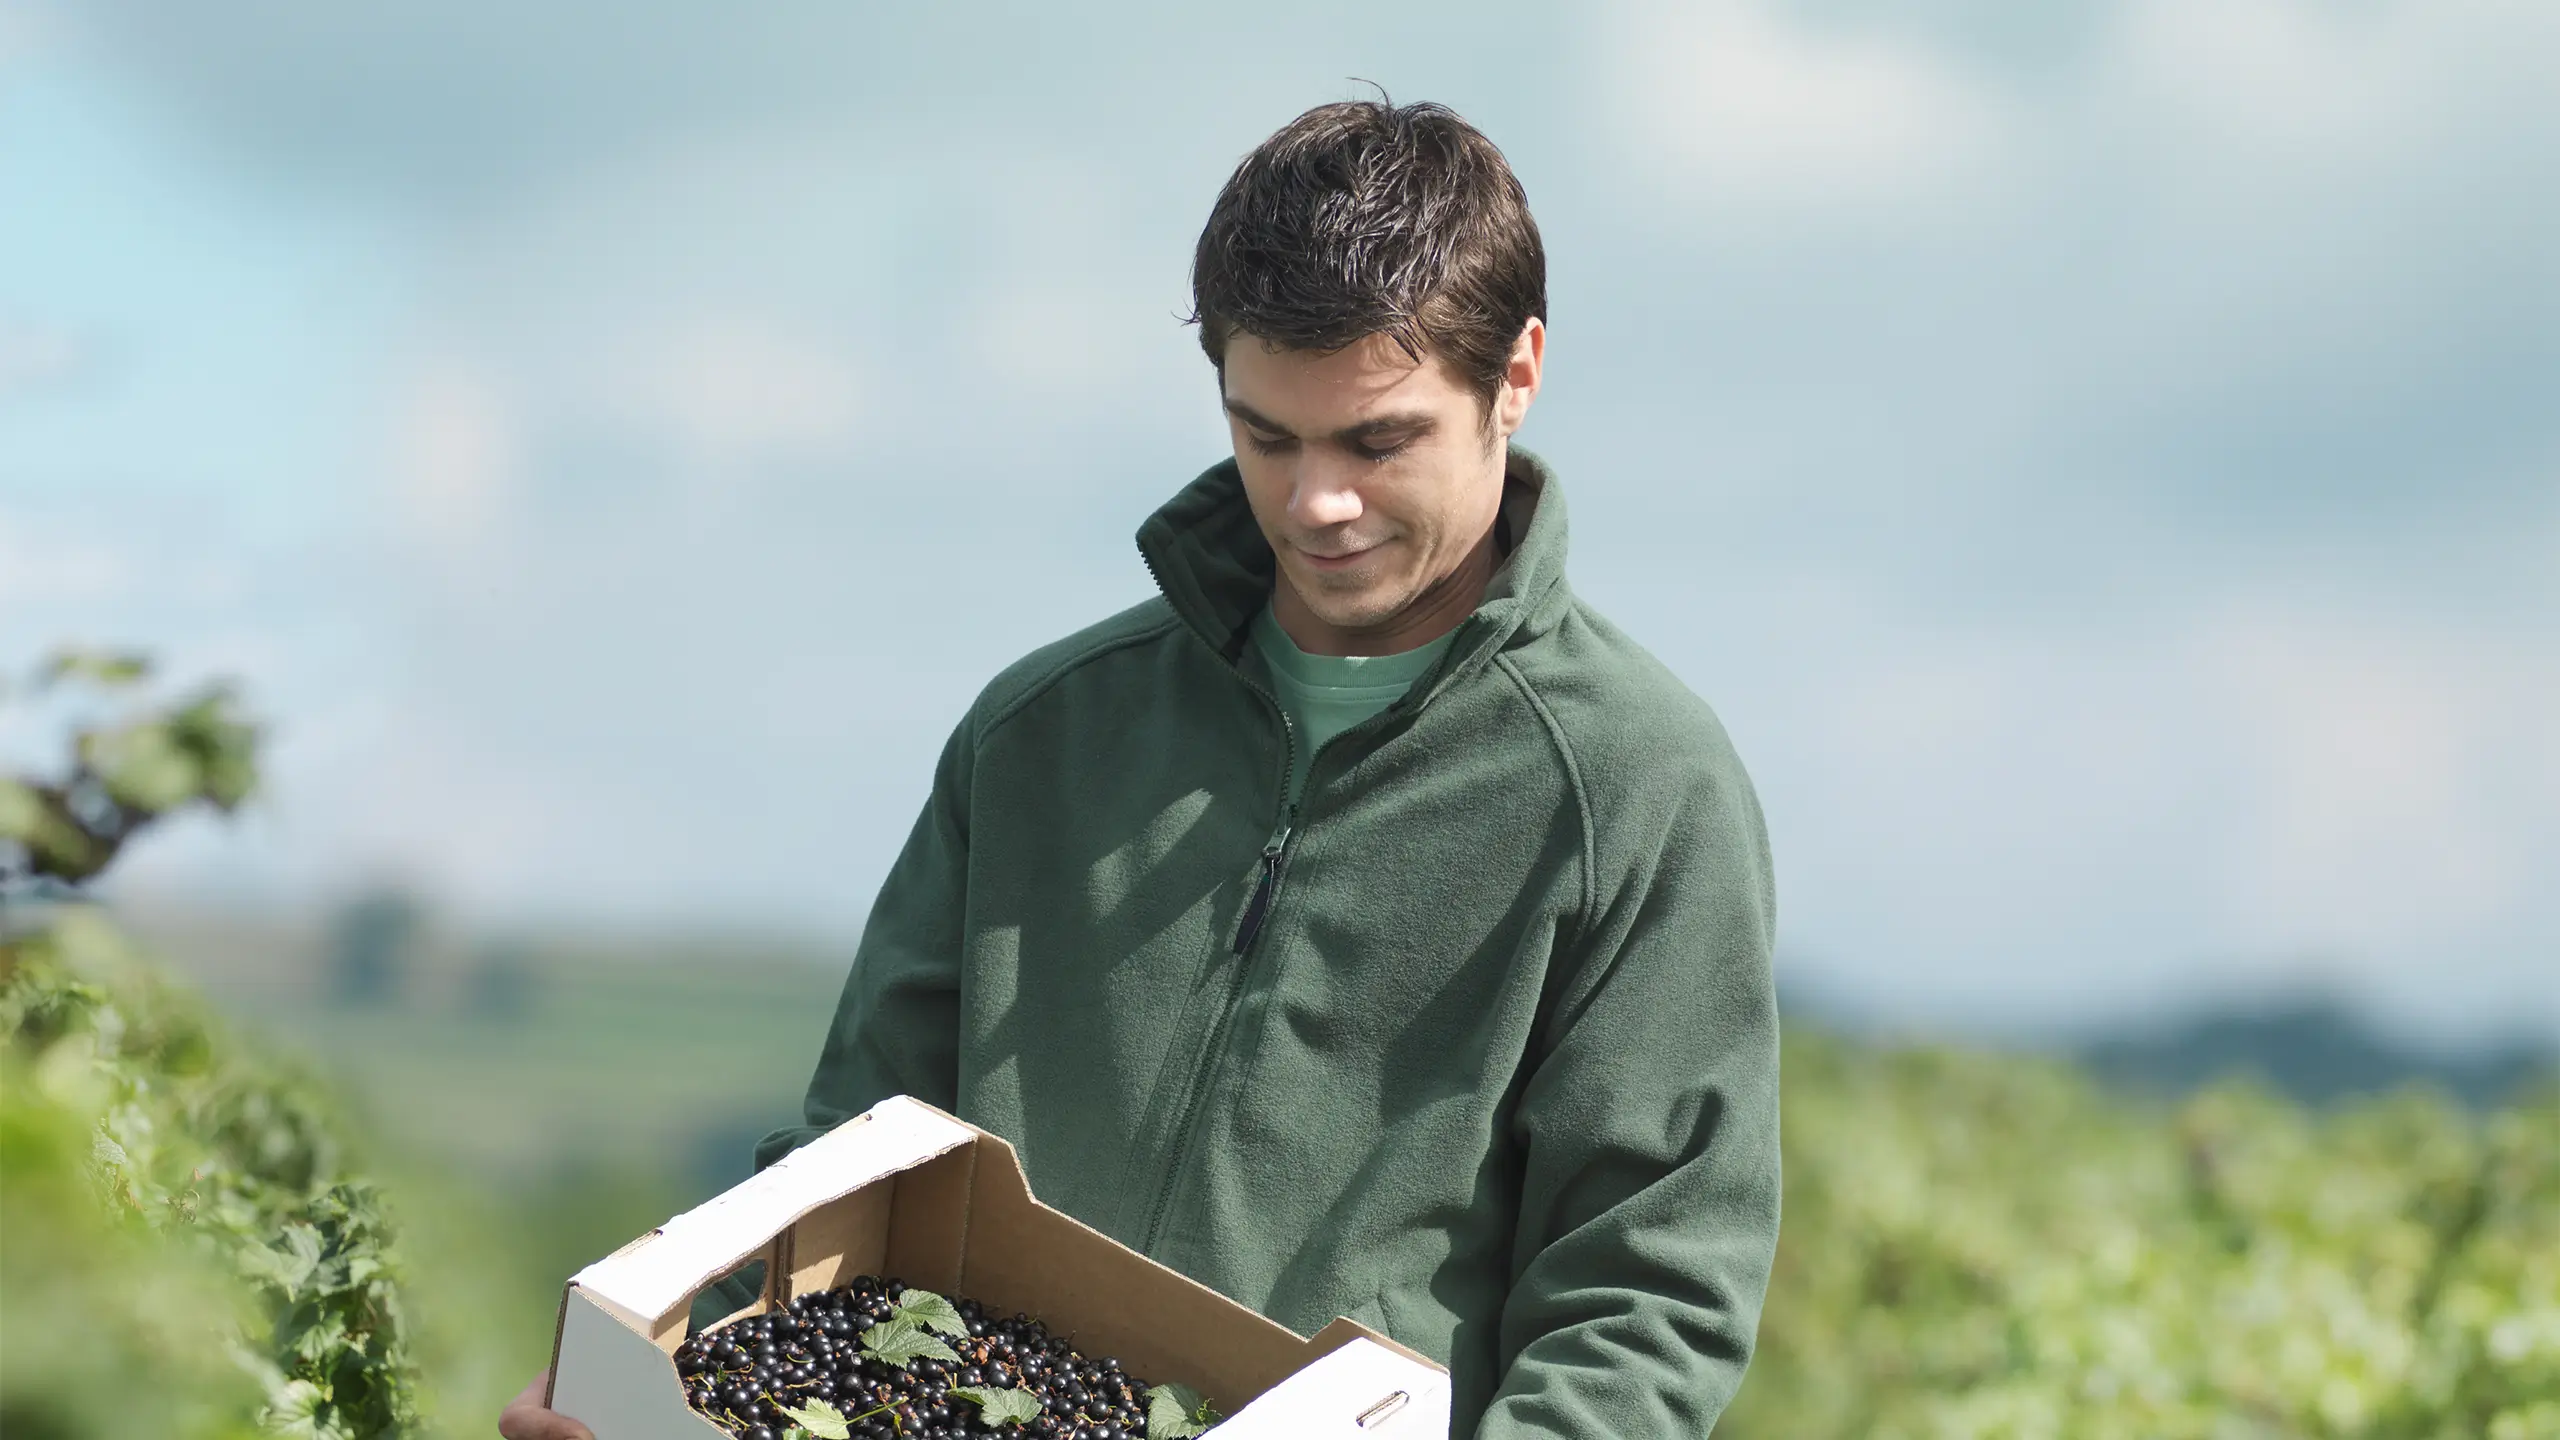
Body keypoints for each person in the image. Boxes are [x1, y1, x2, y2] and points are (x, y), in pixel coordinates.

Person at [503, 96, 1779, 1439]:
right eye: (1267, 435)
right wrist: (674, 1394)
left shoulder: (1638, 791)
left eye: (1376, 440)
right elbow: (842, 1174)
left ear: (1515, 375)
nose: (1314, 505)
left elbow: (1648, 1299)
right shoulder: (1041, 734)